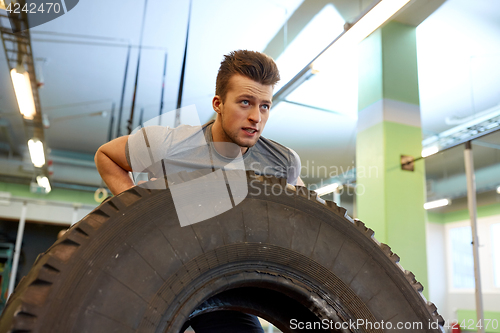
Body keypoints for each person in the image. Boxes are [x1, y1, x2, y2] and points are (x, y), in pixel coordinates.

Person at [95, 49, 304, 333]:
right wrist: (136, 212)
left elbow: (309, 220)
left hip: (222, 285)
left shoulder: (282, 163)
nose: (256, 116)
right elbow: (106, 156)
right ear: (218, 103)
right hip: (159, 273)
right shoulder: (171, 145)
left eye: (265, 106)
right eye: (245, 102)